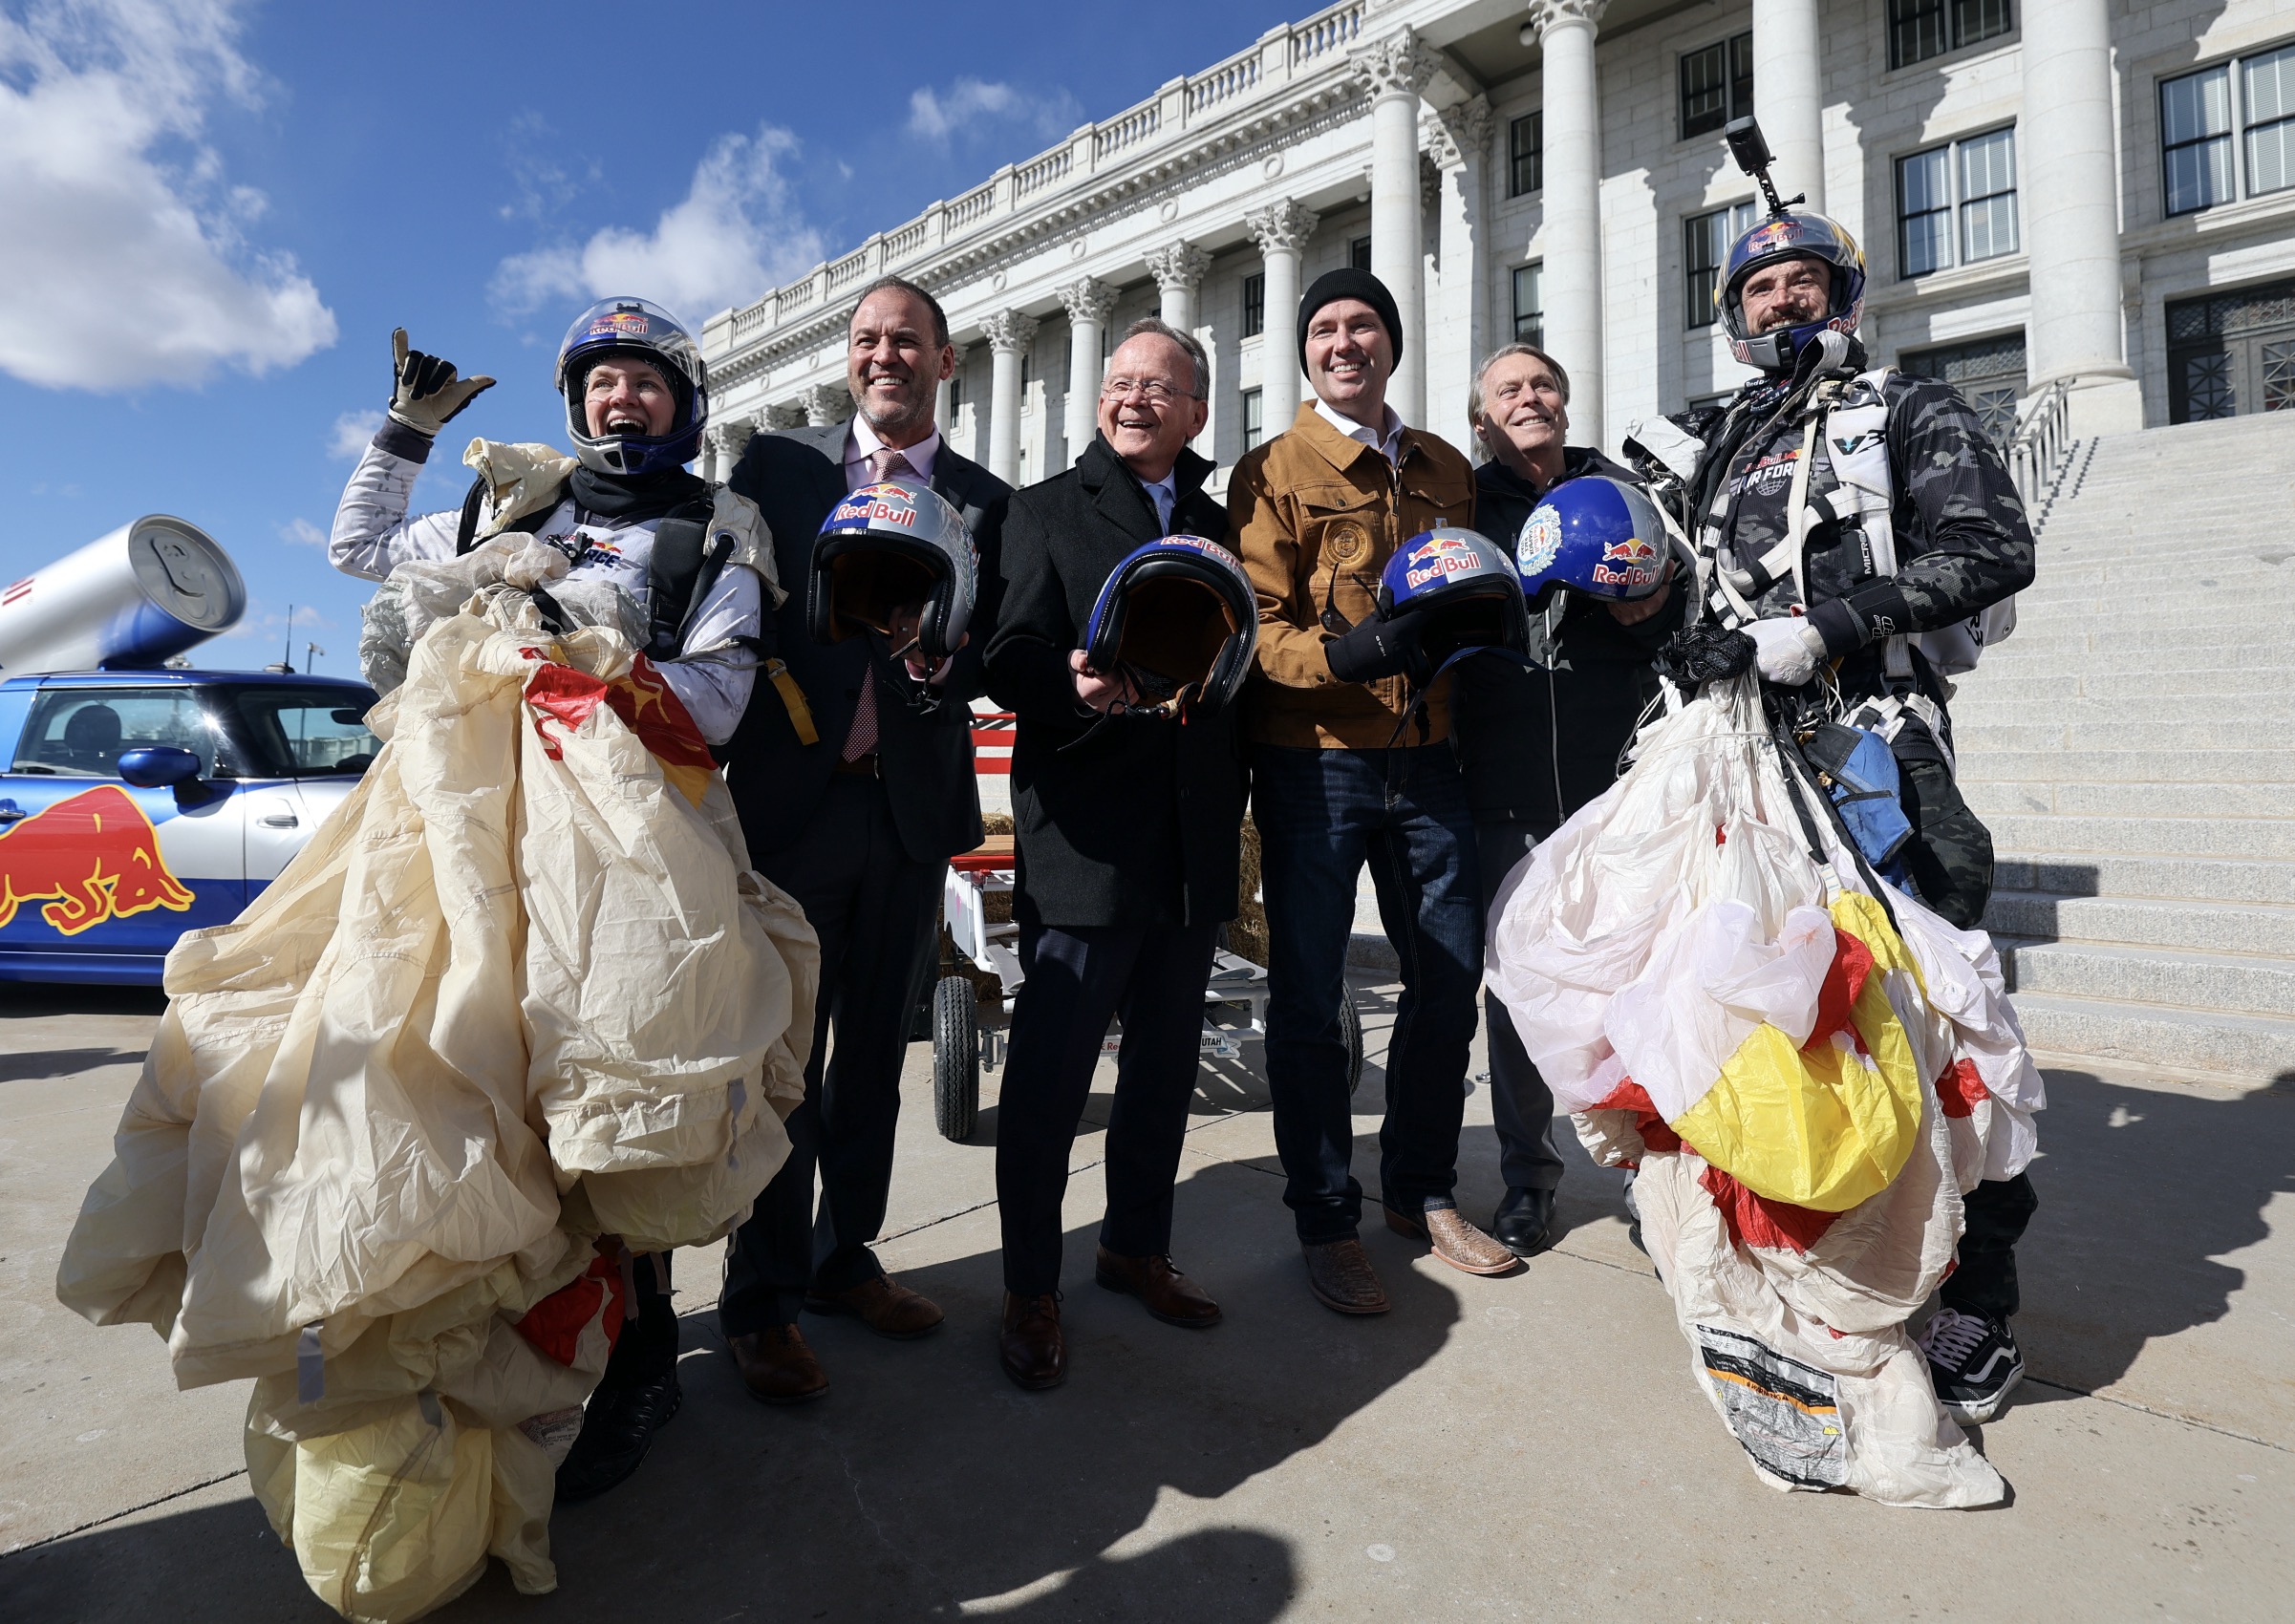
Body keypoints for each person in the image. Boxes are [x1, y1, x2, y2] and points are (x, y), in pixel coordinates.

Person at [328, 297, 768, 1502]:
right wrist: (403, 433)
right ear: (574, 403)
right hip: (480, 846)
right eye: (600, 385)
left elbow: (719, 704)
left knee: (611, 1110)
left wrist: (575, 651)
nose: (620, 402)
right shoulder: (506, 504)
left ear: (683, 403)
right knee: (473, 1091)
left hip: (635, 858)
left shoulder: (718, 531)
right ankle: (506, 1346)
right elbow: (359, 551)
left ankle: (640, 1366)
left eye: (645, 383)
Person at [1649, 203, 2037, 1422]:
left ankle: (1976, 1291)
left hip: (1873, 748)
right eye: (1757, 289)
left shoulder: (1906, 409)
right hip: (1731, 765)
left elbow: (1990, 545)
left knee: (1936, 1023)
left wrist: (1828, 624)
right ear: (1731, 314)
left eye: (1801, 281)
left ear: (1844, 297)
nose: (1779, 301)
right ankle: (1804, 1261)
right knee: (1753, 1021)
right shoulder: (1708, 441)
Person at [714, 276, 1011, 1403]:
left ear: (945, 361)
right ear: (849, 360)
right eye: (866, 340)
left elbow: (994, 643)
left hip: (909, 811)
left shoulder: (984, 500)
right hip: (794, 804)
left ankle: (848, 1256)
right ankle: (762, 1297)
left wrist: (949, 657)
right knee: (779, 1064)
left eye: (907, 341)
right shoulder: (777, 474)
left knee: (873, 1062)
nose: (884, 355)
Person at [1226, 267, 1517, 1317]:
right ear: (1303, 352)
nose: (1343, 341)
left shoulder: (1442, 463)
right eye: (1324, 328)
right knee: (1308, 999)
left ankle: (1421, 1189)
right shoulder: (1269, 467)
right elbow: (1255, 626)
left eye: (1362, 325)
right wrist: (1351, 655)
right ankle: (1323, 1214)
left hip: (1427, 752)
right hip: (1313, 758)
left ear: (1389, 343)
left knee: (1448, 979)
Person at [981, 318, 1244, 1390]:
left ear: (1196, 410)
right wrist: (1075, 685)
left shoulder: (1220, 525)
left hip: (1189, 843)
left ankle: (1133, 1246)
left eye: (1157, 386)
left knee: (1163, 1072)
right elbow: (1008, 655)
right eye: (1118, 383)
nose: (1132, 399)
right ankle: (1029, 1286)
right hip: (1085, 842)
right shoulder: (1043, 509)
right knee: (1048, 1082)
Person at [1449, 343, 1683, 1258]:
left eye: (1543, 384)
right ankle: (1527, 1180)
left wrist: (1653, 603)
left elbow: (1683, 606)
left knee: (1638, 988)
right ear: (1483, 418)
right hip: (1501, 788)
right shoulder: (1465, 505)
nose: (1529, 398)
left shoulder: (1623, 491)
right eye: (1508, 390)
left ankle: (1647, 1179)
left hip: (1615, 785)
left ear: (1566, 400)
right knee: (1516, 999)